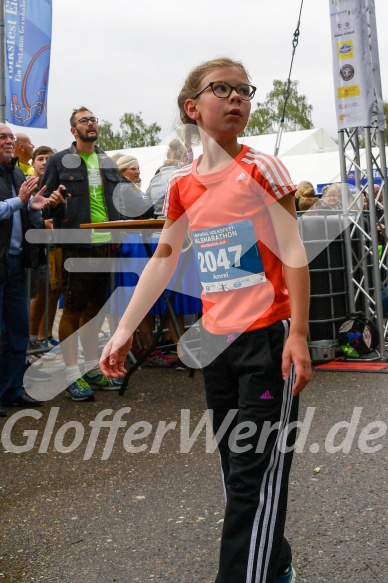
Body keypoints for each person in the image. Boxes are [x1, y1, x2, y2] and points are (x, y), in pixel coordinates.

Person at [100, 57, 312, 583]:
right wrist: (125, 329)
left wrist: (301, 335)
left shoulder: (263, 169)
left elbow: (293, 252)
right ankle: (275, 559)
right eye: (223, 89)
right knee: (236, 469)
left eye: (245, 90)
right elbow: (164, 259)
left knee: (253, 477)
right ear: (193, 107)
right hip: (218, 348)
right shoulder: (183, 186)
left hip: (268, 340)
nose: (237, 98)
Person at [41, 106, 153, 402]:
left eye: (93, 120)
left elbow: (121, 199)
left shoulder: (107, 161)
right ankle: (71, 374)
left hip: (106, 245)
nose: (90, 124)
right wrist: (52, 203)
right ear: (73, 129)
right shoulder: (58, 161)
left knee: (93, 309)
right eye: (83, 120)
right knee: (74, 310)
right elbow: (44, 204)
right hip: (76, 245)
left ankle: (91, 368)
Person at [0, 124, 48, 417]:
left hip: (16, 262)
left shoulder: (17, 172)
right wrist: (18, 202)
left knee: (18, 330)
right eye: (2, 137)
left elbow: (24, 208)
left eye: (10, 138)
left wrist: (34, 208)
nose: (9, 142)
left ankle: (12, 390)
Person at [28, 146, 62, 353]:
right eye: (40, 158)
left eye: (48, 159)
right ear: (33, 163)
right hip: (36, 247)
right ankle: (33, 337)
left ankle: (46, 334)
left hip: (57, 242)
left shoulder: (57, 186)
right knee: (40, 292)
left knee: (54, 290)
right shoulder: (27, 184)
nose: (44, 162)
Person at [146, 139, 188, 216]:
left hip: (157, 223)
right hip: (180, 223)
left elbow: (147, 203)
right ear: (185, 159)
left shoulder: (155, 177)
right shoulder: (185, 175)